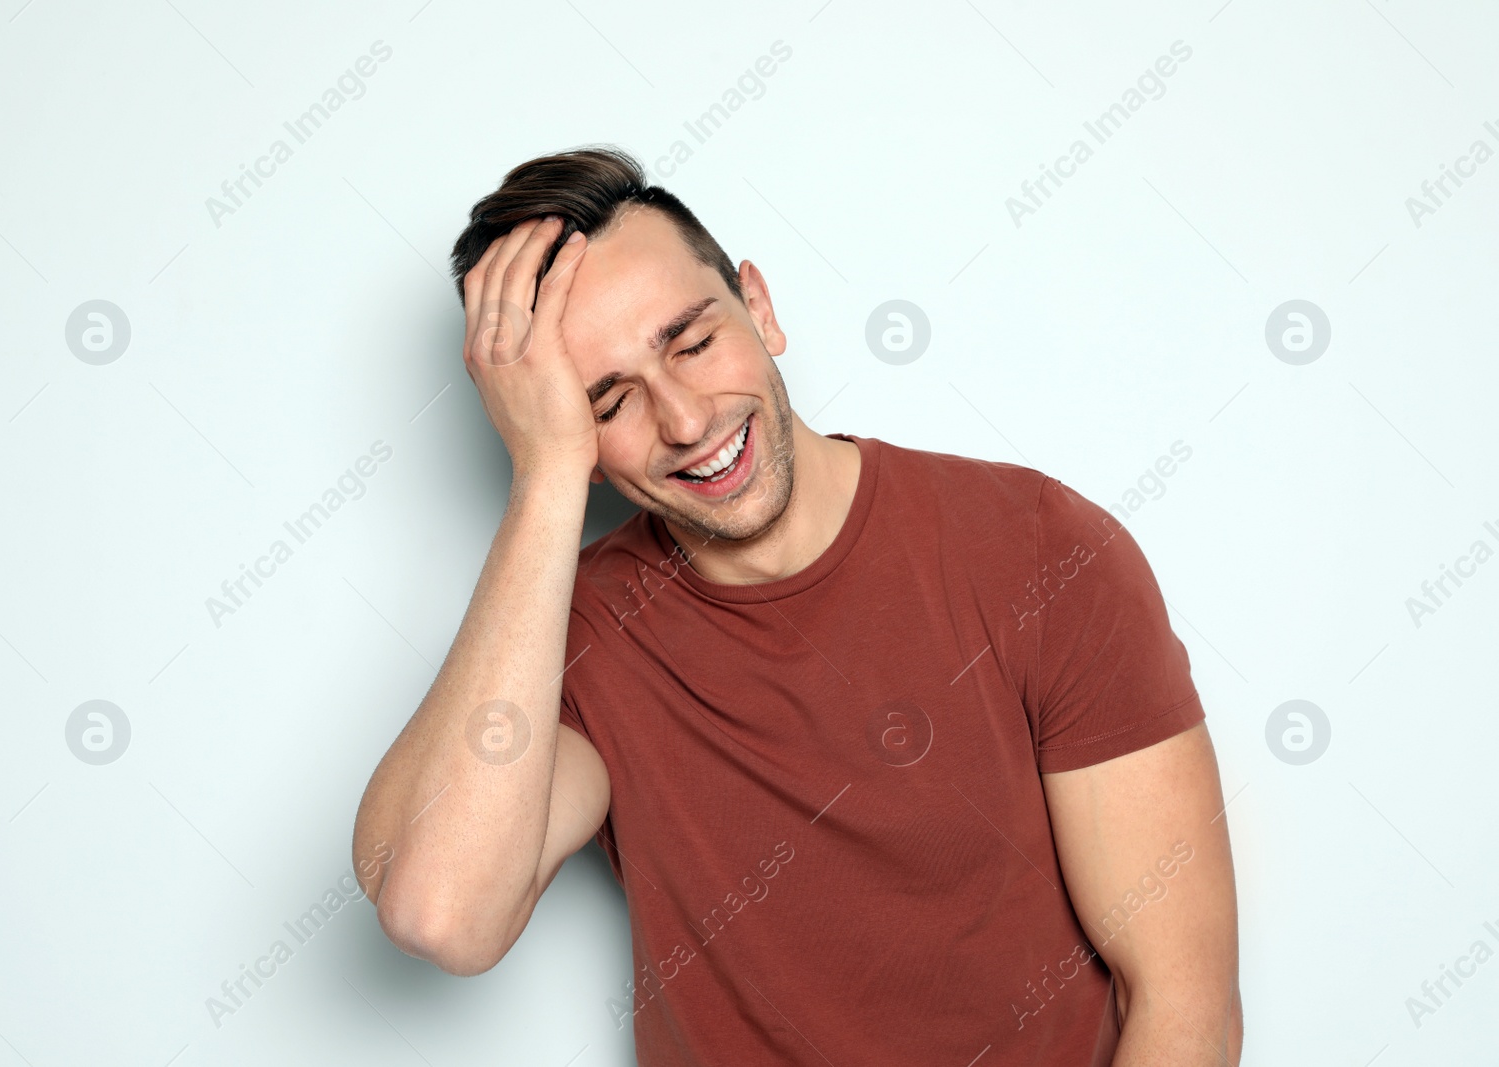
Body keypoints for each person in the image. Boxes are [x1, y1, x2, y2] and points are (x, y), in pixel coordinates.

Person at [351, 145, 1242, 1065]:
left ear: (760, 306)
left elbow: (1186, 1008)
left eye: (692, 343)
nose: (687, 422)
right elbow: (441, 913)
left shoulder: (1039, 550)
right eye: (607, 403)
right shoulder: (572, 642)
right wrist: (543, 481)